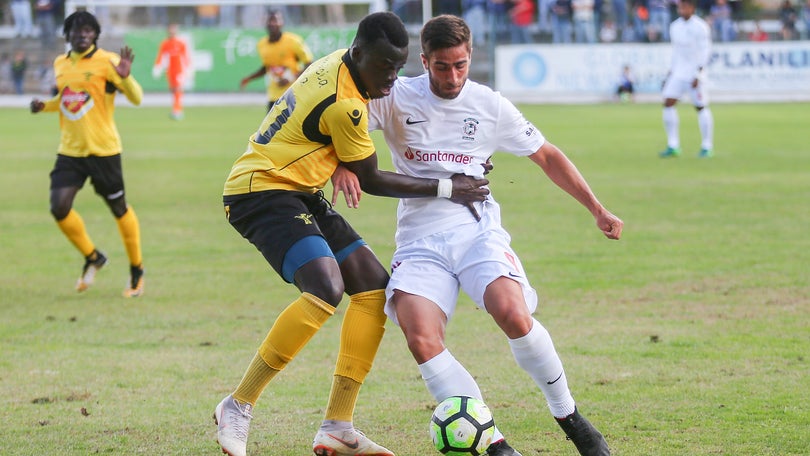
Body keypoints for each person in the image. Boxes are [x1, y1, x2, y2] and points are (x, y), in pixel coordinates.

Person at [332, 14, 622, 456]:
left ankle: (570, 417)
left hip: (476, 231)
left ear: (471, 59)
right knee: (420, 337)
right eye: (443, 66)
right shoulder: (395, 97)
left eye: (462, 65)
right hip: (419, 241)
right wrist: (338, 164)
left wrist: (596, 208)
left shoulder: (490, 105)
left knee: (513, 314)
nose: (453, 77)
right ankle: (495, 445)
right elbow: (338, 128)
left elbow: (546, 156)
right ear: (424, 61)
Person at [212, 12, 490, 456]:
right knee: (325, 287)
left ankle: (337, 426)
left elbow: (341, 143)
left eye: (398, 68)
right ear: (359, 54)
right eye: (383, 67)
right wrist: (449, 186)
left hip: (298, 187)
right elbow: (374, 179)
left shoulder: (340, 66)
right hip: (259, 190)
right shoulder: (347, 102)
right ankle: (238, 404)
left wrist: (341, 160)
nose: (391, 78)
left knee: (373, 290)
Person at [29, 10, 146, 298]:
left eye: (88, 31)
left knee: (119, 209)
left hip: (104, 151)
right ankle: (94, 257)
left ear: (95, 35)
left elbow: (137, 98)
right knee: (59, 207)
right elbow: (68, 99)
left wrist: (126, 79)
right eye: (76, 31)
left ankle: (136, 272)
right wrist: (45, 106)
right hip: (70, 151)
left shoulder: (109, 62)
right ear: (67, 35)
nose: (82, 35)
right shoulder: (60, 64)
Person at [659, 0, 714, 158]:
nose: (681, 9)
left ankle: (707, 146)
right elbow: (676, 52)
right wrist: (670, 72)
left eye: (684, 6)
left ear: (692, 8)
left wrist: (698, 73)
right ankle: (673, 145)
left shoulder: (700, 26)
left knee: (700, 107)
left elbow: (705, 51)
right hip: (678, 72)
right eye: (679, 7)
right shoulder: (674, 26)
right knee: (668, 102)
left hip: (695, 74)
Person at [239, 9, 313, 112]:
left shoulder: (293, 41)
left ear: (281, 23)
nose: (272, 23)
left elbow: (309, 64)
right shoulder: (262, 44)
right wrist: (250, 78)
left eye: (275, 20)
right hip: (274, 96)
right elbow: (267, 67)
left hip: (293, 93)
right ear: (265, 23)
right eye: (269, 20)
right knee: (270, 127)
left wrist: (291, 78)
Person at [152, 23, 190, 120]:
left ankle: (177, 110)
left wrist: (188, 68)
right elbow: (161, 56)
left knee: (178, 88)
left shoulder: (181, 43)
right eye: (171, 29)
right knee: (173, 90)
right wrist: (158, 67)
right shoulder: (165, 43)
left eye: (174, 29)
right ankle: (176, 109)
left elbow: (185, 57)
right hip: (170, 70)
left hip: (179, 70)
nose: (172, 31)